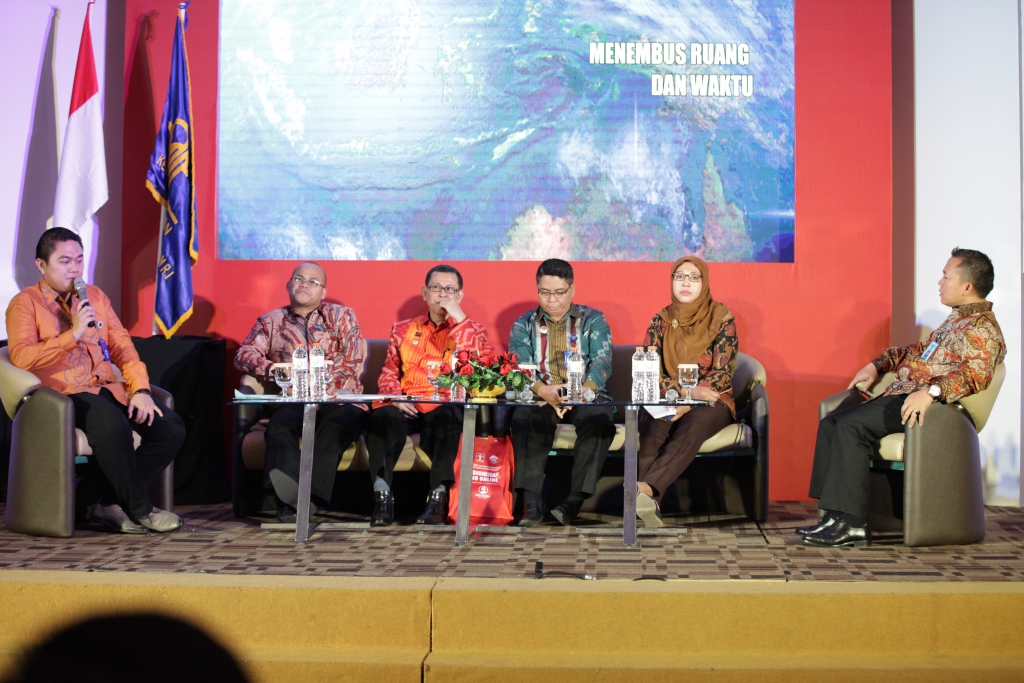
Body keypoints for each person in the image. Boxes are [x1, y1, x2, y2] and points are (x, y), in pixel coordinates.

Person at [804, 248, 1006, 547]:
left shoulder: (983, 329)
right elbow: (916, 352)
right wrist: (878, 365)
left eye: (946, 277)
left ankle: (854, 525)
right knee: (831, 423)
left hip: (930, 408)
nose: (939, 282)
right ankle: (834, 517)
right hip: (903, 395)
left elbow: (975, 375)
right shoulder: (955, 321)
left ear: (967, 287)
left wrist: (932, 392)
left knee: (849, 427)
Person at [5, 228, 185, 534]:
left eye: (79, 260)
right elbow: (21, 357)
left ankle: (105, 502)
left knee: (170, 427)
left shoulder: (95, 297)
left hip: (105, 387)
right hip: (61, 395)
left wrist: (140, 389)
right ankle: (141, 510)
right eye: (65, 261)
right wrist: (72, 335)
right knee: (114, 427)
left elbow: (123, 347)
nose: (74, 268)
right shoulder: (25, 303)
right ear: (41, 265)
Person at [234, 262, 368, 523]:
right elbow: (243, 355)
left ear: (323, 291)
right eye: (298, 278)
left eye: (313, 281)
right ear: (288, 285)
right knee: (280, 425)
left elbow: (352, 359)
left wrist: (316, 380)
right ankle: (287, 503)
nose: (305, 284)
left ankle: (308, 500)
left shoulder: (341, 315)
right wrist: (273, 369)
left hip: (340, 401)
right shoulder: (271, 321)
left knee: (335, 428)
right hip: (295, 399)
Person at [366, 264, 493, 526]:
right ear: (425, 293)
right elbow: (389, 372)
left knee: (450, 417)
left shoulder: (474, 330)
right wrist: (395, 398)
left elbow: (479, 369)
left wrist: (460, 320)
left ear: (460, 295)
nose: (443, 294)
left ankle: (438, 498)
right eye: (436, 288)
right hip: (407, 403)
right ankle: (382, 497)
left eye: (450, 289)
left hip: (444, 404)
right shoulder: (402, 329)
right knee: (382, 417)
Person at [507, 259, 615, 526]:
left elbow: (602, 363)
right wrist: (542, 390)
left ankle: (573, 502)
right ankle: (531, 504)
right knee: (524, 417)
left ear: (572, 289)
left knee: (600, 420)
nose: (551, 300)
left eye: (559, 292)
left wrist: (580, 392)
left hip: (584, 394)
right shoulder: (523, 323)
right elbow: (519, 367)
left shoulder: (593, 319)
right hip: (542, 394)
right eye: (544, 292)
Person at [636, 256, 738, 528]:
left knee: (693, 425)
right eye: (679, 276)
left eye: (694, 277)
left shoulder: (721, 317)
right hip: (672, 397)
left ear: (704, 283)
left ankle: (644, 488)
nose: (686, 282)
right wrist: (684, 394)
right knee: (654, 424)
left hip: (712, 401)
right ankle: (651, 505)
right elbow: (648, 370)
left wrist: (691, 402)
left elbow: (723, 372)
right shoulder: (661, 320)